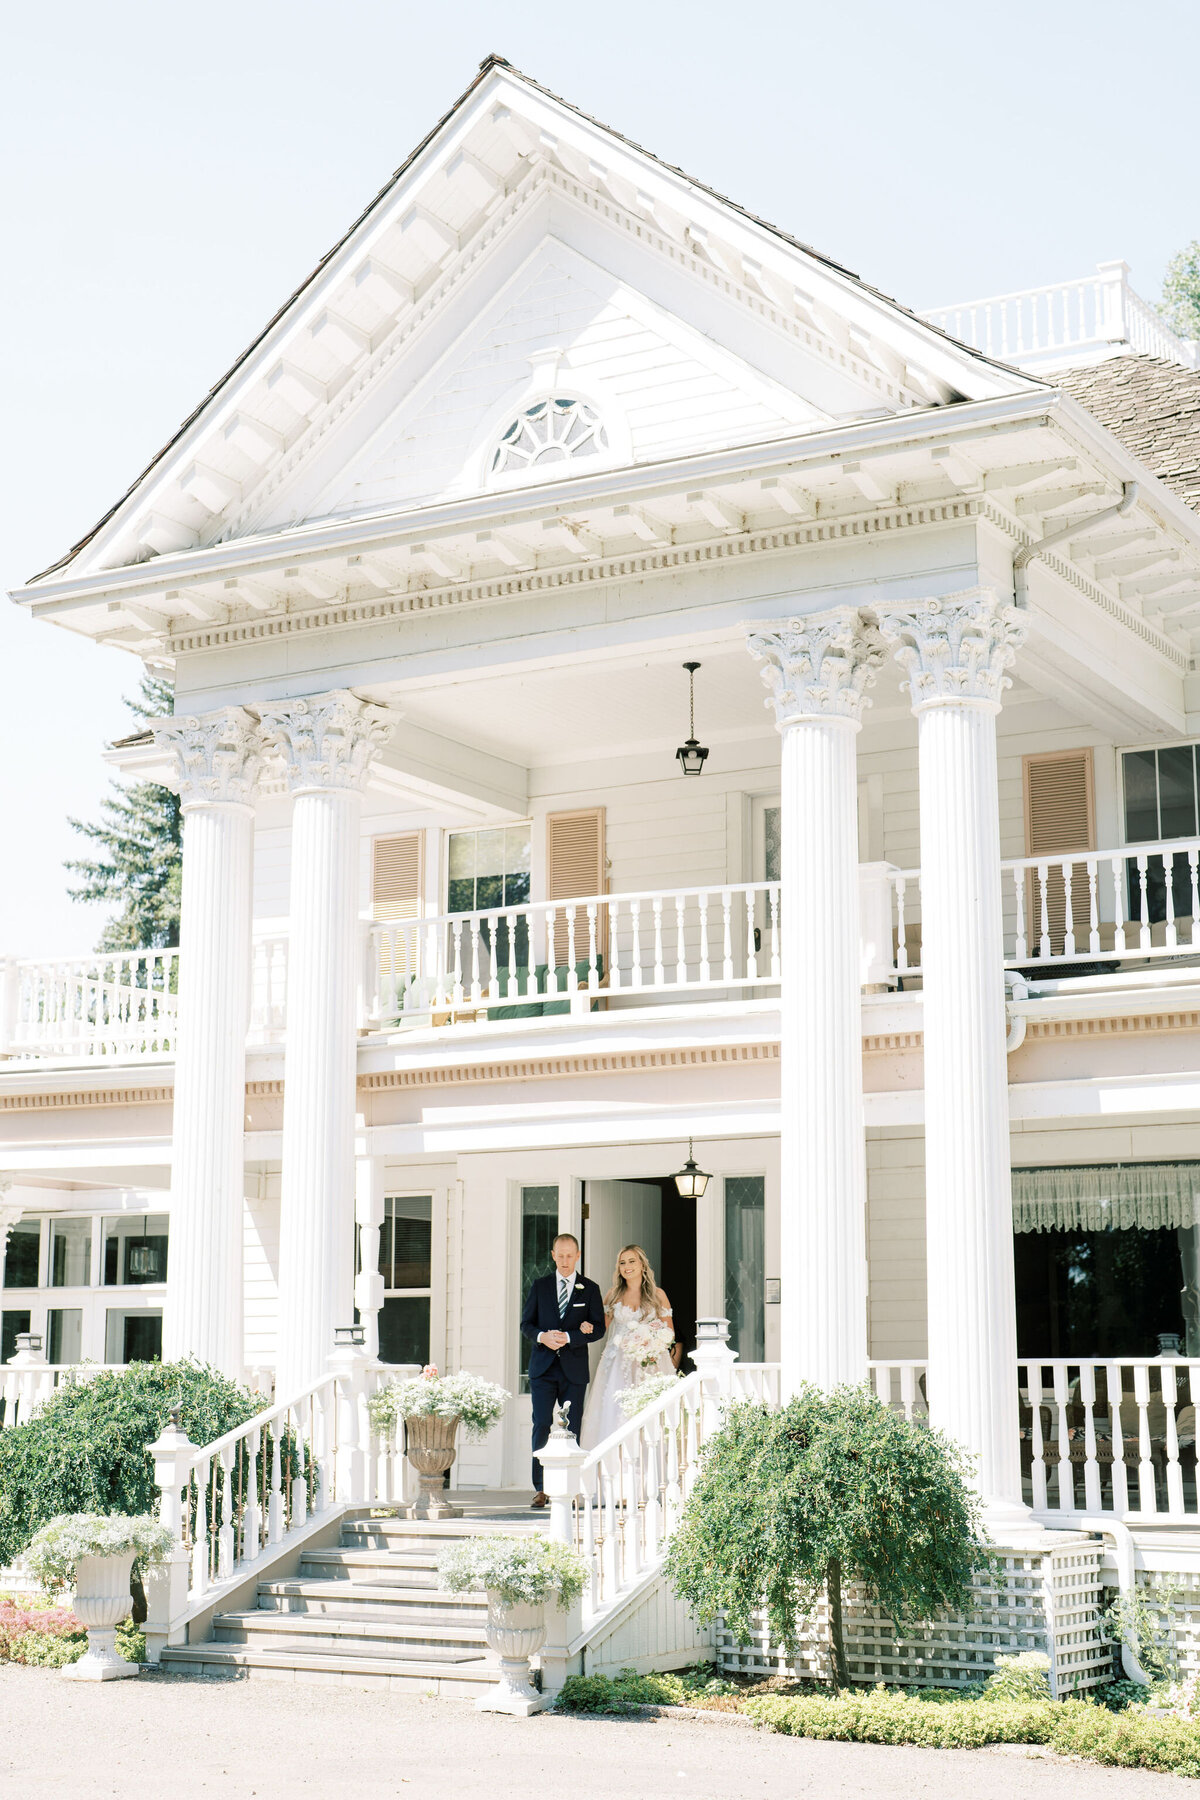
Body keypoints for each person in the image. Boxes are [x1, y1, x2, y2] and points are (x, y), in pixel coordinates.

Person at [520, 1232, 606, 1508]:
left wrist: (571, 1337)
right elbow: (526, 1324)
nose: (565, 1260)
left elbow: (598, 1328)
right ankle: (541, 1488)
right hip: (543, 1368)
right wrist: (542, 1336)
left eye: (570, 1255)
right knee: (542, 1424)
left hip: (573, 1369)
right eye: (560, 1255)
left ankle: (571, 1487)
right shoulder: (540, 1285)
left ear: (578, 1255)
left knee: (573, 1428)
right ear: (553, 1255)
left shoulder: (589, 1288)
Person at [580, 1244, 678, 1450]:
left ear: (642, 1264)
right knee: (614, 1410)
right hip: (617, 1362)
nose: (627, 1266)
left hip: (650, 1363)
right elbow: (601, 1329)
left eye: (632, 1261)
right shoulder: (613, 1295)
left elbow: (669, 1334)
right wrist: (586, 1325)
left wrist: (650, 1344)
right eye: (622, 1263)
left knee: (649, 1410)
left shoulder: (658, 1295)